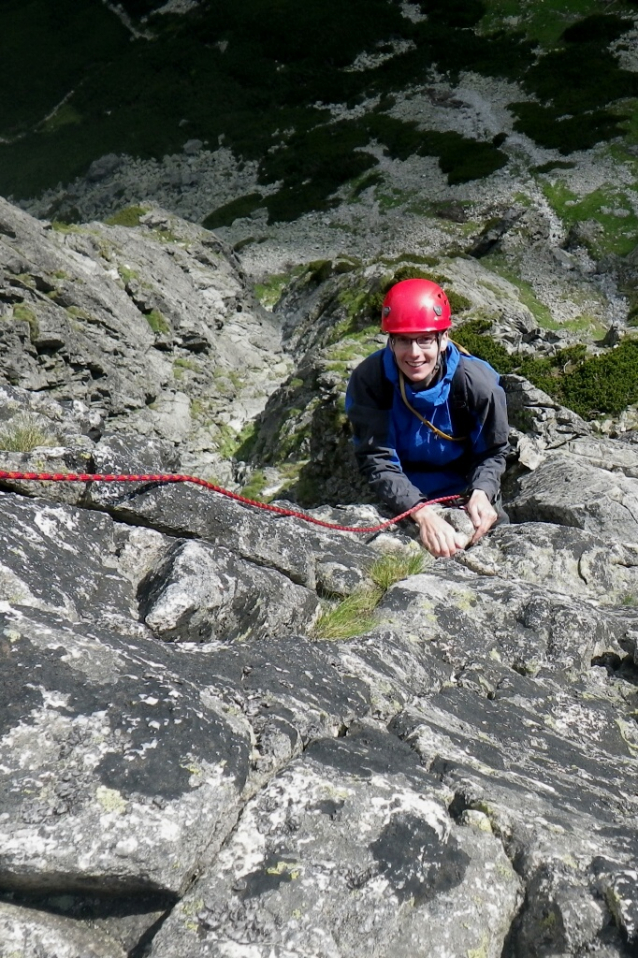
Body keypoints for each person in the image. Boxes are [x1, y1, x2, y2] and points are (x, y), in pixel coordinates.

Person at [345, 278, 510, 558]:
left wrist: (482, 492)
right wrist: (422, 514)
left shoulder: (477, 385)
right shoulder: (371, 380)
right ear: (390, 341)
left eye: (424, 340)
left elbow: (493, 451)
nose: (414, 353)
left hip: (465, 489)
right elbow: (377, 458)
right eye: (403, 341)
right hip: (400, 489)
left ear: (444, 338)